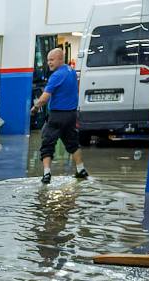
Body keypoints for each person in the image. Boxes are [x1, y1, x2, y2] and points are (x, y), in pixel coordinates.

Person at [31, 48, 88, 183]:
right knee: (73, 143)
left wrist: (34, 108)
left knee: (47, 144)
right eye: (48, 60)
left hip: (57, 116)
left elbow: (44, 98)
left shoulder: (56, 76)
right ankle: (81, 170)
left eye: (51, 60)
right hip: (71, 115)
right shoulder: (71, 71)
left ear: (60, 59)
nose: (49, 63)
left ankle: (46, 174)